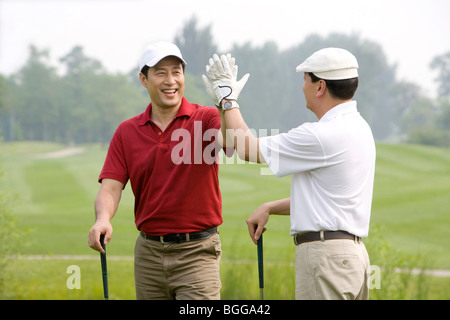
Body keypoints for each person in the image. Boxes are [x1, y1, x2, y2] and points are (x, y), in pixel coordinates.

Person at [203, 48, 376, 300]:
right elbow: (328, 201)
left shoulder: (320, 134)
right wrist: (271, 206)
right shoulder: (360, 127)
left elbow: (247, 148)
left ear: (320, 87)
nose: (302, 86)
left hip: (325, 258)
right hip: (353, 257)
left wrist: (228, 100)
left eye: (306, 79)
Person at [88, 41, 231, 300]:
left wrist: (226, 103)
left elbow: (232, 143)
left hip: (197, 252)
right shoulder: (127, 132)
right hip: (149, 255)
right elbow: (110, 187)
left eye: (176, 71)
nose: (171, 80)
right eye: (161, 72)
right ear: (144, 79)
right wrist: (102, 219)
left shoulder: (206, 117)